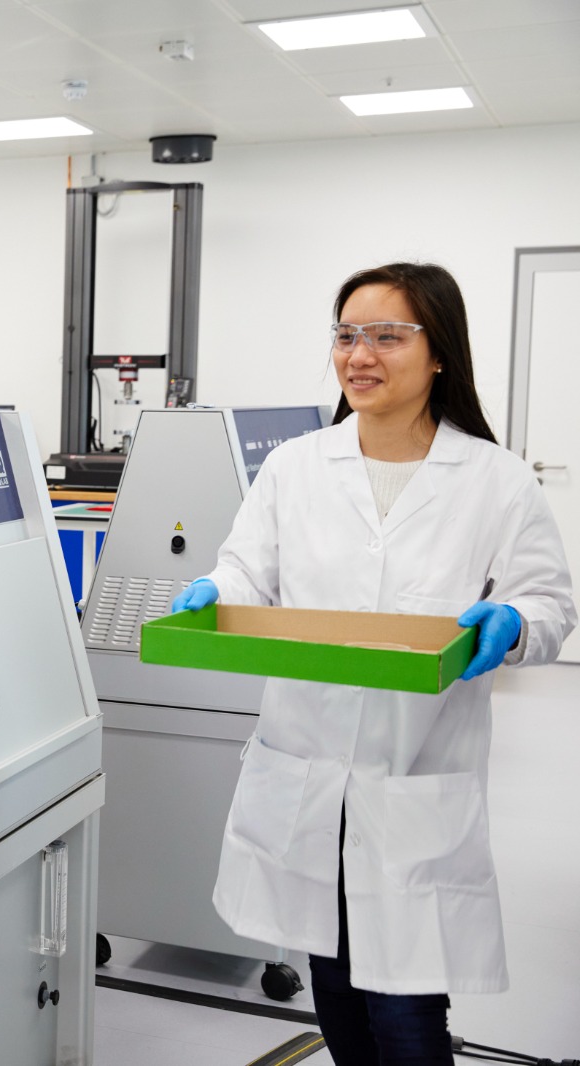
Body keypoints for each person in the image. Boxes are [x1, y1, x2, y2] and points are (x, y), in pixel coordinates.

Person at [171, 262, 574, 1066]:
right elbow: (251, 570)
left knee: (406, 998)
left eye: (388, 335)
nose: (361, 354)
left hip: (415, 766)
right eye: (348, 335)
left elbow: (550, 603)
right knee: (334, 970)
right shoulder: (295, 465)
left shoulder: (495, 479)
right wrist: (218, 588)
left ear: (438, 355)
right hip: (308, 763)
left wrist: (515, 622)